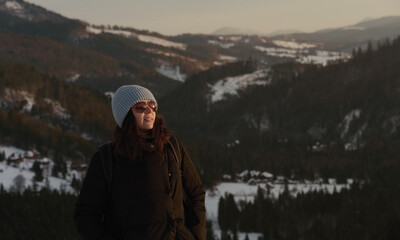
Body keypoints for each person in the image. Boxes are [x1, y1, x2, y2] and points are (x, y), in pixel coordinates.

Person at [74, 85, 206, 240]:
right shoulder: (107, 159)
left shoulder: (172, 148)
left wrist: (196, 236)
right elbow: (85, 215)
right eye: (140, 107)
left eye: (152, 105)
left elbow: (196, 193)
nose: (149, 111)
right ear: (126, 115)